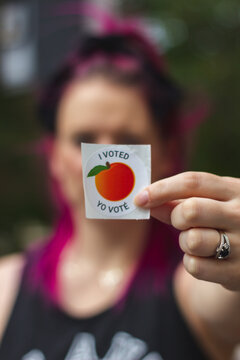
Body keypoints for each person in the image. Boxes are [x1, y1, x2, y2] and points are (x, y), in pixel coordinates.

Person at [0, 11, 240, 360]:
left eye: (127, 139)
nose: (106, 158)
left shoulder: (199, 278)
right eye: (84, 139)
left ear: (166, 153)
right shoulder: (5, 290)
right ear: (53, 156)